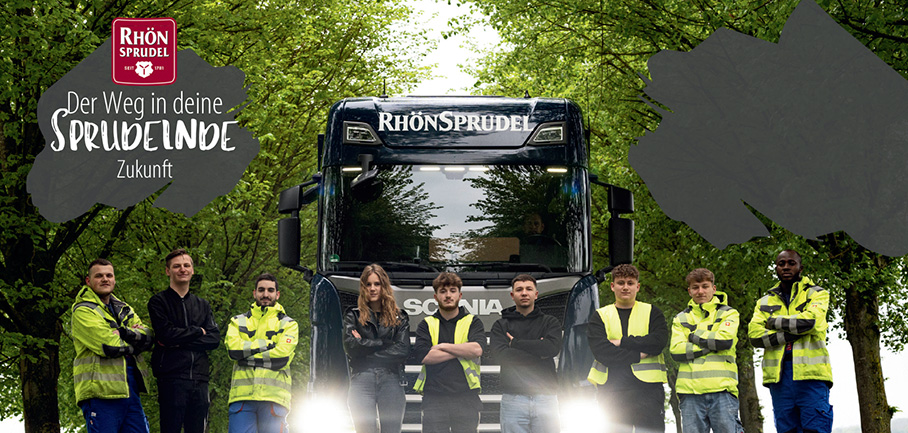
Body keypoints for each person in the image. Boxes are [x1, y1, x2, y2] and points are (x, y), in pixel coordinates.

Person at [749, 250, 833, 433]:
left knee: (816, 429)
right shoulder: (763, 301)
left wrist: (772, 322)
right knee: (786, 430)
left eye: (791, 263)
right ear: (776, 268)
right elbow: (755, 336)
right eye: (781, 264)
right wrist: (792, 333)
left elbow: (810, 322)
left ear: (800, 268)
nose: (786, 267)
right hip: (779, 377)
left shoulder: (817, 293)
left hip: (811, 375)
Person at [71, 258, 154, 433]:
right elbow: (109, 346)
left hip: (130, 390)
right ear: (88, 281)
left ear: (114, 279)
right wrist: (135, 339)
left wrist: (123, 333)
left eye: (109, 275)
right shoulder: (83, 310)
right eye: (99, 276)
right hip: (101, 393)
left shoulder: (124, 308)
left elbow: (149, 337)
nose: (105, 279)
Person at [587, 263, 668, 433]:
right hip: (612, 392)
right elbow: (602, 353)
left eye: (630, 283)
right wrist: (639, 354)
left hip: (648, 391)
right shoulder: (600, 316)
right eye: (621, 283)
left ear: (637, 287)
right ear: (612, 286)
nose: (625, 287)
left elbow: (658, 342)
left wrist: (621, 342)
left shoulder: (652, 312)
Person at [147, 248, 221, 433]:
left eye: (186, 265)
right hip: (171, 378)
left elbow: (214, 339)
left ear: (192, 270)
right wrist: (197, 331)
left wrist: (179, 339)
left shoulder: (202, 305)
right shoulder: (158, 302)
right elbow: (165, 335)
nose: (182, 269)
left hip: (200, 378)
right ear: (168, 271)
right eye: (176, 266)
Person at [670, 268, 743, 433]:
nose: (700, 291)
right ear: (689, 291)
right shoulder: (680, 318)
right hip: (690, 393)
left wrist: (693, 336)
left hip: (722, 391)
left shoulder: (729, 313)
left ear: (713, 288)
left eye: (705, 286)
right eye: (695, 287)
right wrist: (711, 345)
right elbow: (676, 351)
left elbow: (724, 341)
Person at [226, 272, 298, 433]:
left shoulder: (289, 324)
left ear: (277, 294)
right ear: (254, 293)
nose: (265, 294)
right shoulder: (237, 321)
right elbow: (234, 351)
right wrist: (267, 345)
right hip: (242, 398)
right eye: (261, 290)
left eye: (270, 290)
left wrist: (245, 356)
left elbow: (281, 358)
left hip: (274, 398)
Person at [412, 272, 485, 433]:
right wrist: (462, 350)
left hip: (466, 398)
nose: (448, 295)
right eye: (443, 291)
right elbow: (425, 356)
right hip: (434, 399)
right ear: (435, 296)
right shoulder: (426, 323)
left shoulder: (472, 321)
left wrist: (441, 346)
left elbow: (477, 349)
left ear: (460, 295)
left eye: (452, 291)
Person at [490, 274, 562, 433]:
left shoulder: (550, 322)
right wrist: (539, 351)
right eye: (519, 290)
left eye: (529, 289)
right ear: (512, 295)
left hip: (546, 398)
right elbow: (500, 356)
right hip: (513, 400)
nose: (524, 293)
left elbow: (552, 348)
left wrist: (515, 344)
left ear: (536, 294)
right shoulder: (501, 325)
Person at [342, 264, 410, 433]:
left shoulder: (400, 317)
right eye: (368, 284)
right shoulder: (353, 315)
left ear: (384, 286)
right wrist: (384, 343)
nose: (372, 288)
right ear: (363, 288)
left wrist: (366, 351)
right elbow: (351, 346)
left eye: (377, 284)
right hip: (361, 379)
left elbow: (402, 350)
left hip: (391, 378)